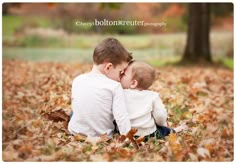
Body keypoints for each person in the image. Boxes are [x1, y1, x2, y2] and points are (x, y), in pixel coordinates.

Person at [68, 38, 133, 138]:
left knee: (75, 110)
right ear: (108, 67)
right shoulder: (114, 86)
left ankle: (79, 127)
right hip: (103, 135)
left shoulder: (78, 80)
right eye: (121, 72)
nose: (121, 77)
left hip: (76, 133)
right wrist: (128, 137)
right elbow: (121, 117)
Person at [120, 60, 187, 141]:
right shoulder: (153, 96)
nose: (120, 74)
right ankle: (176, 130)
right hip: (148, 135)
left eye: (123, 74)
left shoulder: (120, 94)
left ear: (133, 83)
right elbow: (160, 116)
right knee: (163, 130)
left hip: (125, 135)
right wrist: (162, 125)